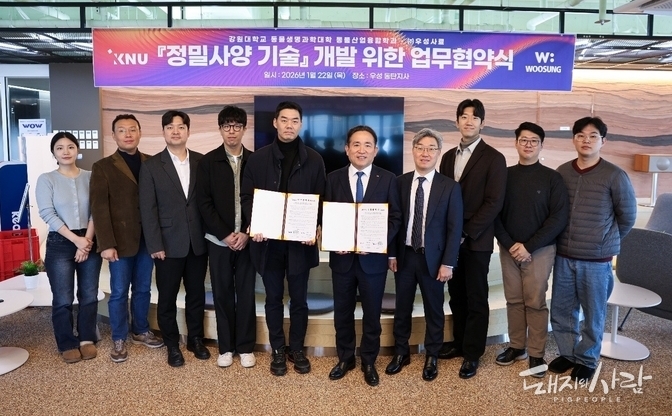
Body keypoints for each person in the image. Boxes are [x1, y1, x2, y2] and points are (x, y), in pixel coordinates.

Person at [241, 101, 326, 376]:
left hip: (300, 245)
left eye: (295, 121)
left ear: (301, 124)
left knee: (299, 300)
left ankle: (297, 348)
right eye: (284, 120)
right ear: (275, 123)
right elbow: (246, 197)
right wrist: (255, 222)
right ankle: (278, 349)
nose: (289, 125)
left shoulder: (314, 159)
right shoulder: (258, 159)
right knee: (273, 298)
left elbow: (321, 199)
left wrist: (314, 227)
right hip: (268, 244)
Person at [549, 116, 636, 382]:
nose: (586, 140)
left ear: (603, 141)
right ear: (573, 139)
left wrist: (605, 241)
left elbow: (628, 217)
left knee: (593, 313)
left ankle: (587, 358)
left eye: (593, 136)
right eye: (581, 135)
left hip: (596, 261)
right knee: (562, 310)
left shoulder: (614, 175)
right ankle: (568, 354)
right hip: (564, 255)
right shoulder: (562, 172)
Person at [325, 125, 402, 387]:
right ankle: (345, 358)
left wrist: (377, 241)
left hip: (373, 261)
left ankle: (369, 360)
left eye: (367, 145)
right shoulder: (332, 178)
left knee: (372, 314)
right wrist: (333, 239)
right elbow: (327, 214)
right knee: (342, 313)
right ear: (346, 149)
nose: (362, 150)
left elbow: (395, 217)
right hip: (342, 260)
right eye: (356, 144)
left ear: (376, 150)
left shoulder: (388, 178)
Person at [437, 98, 507, 379]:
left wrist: (465, 232)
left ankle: (473, 354)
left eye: (474, 117)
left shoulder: (494, 158)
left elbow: (494, 202)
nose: (469, 121)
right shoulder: (447, 157)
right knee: (456, 294)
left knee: (476, 297)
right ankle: (459, 342)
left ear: (482, 123)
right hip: (450, 241)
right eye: (464, 116)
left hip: (476, 239)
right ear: (457, 122)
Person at [385, 128, 462, 382]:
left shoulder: (450, 187)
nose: (425, 153)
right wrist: (391, 254)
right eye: (420, 148)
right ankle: (401, 352)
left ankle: (432, 355)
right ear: (413, 150)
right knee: (402, 308)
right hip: (405, 256)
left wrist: (448, 262)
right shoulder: (400, 182)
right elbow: (394, 221)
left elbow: (454, 228)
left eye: (431, 148)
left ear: (438, 153)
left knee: (434, 309)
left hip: (435, 260)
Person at [493, 122, 568, 378]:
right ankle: (517, 347)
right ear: (516, 143)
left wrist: (529, 246)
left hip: (540, 251)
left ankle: (536, 352)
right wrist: (510, 244)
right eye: (523, 140)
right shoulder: (504, 176)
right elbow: (494, 213)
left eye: (534, 140)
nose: (528, 144)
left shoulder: (552, 178)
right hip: (509, 249)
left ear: (541, 145)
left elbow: (558, 218)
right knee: (513, 300)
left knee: (535, 302)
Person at [90, 114, 164, 363]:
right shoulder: (103, 167)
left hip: (147, 239)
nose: (128, 134)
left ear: (140, 133)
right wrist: (106, 244)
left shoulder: (152, 162)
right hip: (119, 241)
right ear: (114, 136)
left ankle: (140, 330)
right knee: (120, 291)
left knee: (143, 288)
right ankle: (119, 337)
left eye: (132, 129)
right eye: (122, 130)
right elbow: (99, 208)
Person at [139, 110, 209, 367]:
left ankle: (195, 339)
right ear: (163, 131)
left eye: (180, 127)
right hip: (167, 245)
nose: (175, 131)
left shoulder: (202, 161)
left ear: (188, 131)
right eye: (170, 127)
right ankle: (171, 344)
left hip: (198, 242)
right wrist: (155, 244)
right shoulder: (151, 166)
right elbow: (148, 209)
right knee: (167, 298)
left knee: (196, 295)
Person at [196, 106, 257, 369]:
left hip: (247, 240)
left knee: (246, 293)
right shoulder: (208, 162)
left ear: (244, 129)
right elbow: (204, 202)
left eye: (237, 126)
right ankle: (226, 348)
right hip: (218, 241)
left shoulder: (255, 161)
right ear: (220, 129)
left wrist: (246, 232)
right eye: (227, 126)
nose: (232, 131)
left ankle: (245, 347)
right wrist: (225, 234)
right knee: (221, 294)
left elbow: (260, 201)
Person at [36, 132, 103, 363]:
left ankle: (86, 338)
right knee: (63, 298)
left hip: (89, 238)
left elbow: (97, 210)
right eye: (60, 148)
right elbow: (47, 213)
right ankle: (66, 342)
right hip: (60, 242)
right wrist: (76, 240)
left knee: (89, 294)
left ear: (77, 149)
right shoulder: (47, 179)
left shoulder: (91, 176)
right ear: (53, 153)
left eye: (70, 147)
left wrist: (86, 241)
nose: (66, 151)